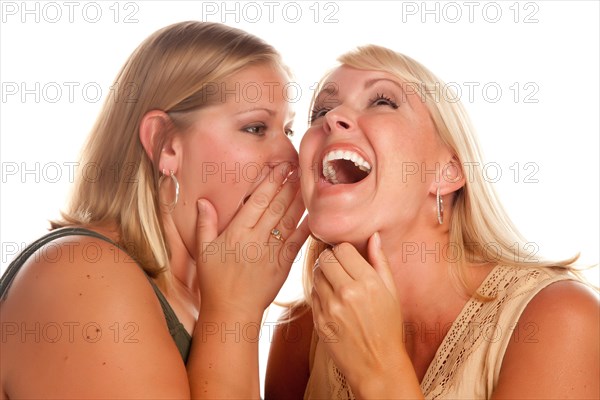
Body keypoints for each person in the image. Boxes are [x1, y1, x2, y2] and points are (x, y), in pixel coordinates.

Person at [266, 45, 599, 399]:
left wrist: (379, 371)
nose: (332, 119)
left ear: (448, 171)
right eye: (321, 111)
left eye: (382, 101)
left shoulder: (559, 318)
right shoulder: (305, 327)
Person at [0, 21, 310, 399]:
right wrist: (235, 315)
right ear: (166, 145)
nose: (290, 159)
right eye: (256, 128)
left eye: (288, 131)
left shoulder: (199, 302)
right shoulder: (87, 272)